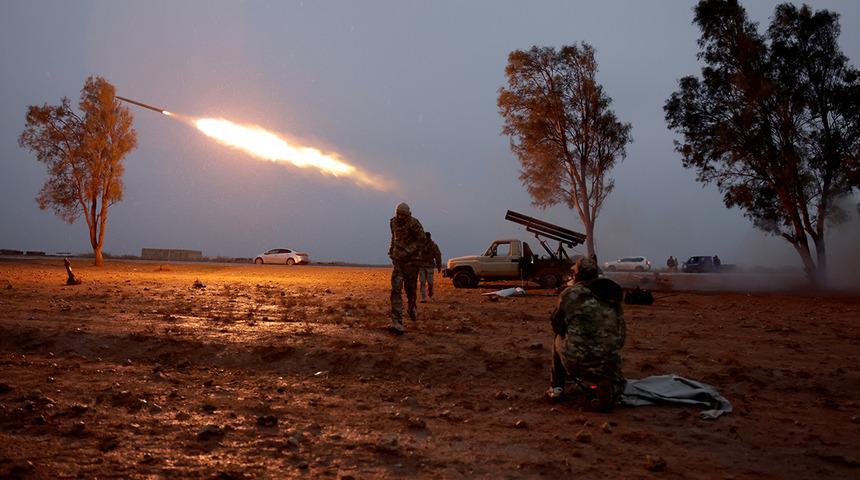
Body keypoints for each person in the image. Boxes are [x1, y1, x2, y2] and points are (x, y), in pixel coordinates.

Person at [547, 257, 626, 411]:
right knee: (618, 383)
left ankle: (556, 389)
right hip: (609, 360)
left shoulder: (570, 294)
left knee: (558, 337)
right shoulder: (613, 294)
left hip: (578, 361)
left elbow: (557, 325)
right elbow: (621, 331)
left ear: (577, 276)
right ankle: (609, 390)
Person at [388, 202, 426, 334]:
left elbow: (422, 240)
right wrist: (392, 250)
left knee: (410, 291)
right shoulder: (393, 222)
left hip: (411, 263)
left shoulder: (414, 224)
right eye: (398, 214)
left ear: (408, 214)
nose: (399, 217)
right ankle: (397, 322)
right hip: (398, 263)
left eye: (402, 215)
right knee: (396, 290)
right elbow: (394, 238)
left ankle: (412, 307)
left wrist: (408, 251)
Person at [418, 232, 442, 303]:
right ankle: (423, 298)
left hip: (430, 267)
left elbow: (438, 256)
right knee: (422, 282)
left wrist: (439, 266)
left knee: (430, 282)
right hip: (421, 266)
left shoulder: (433, 246)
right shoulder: (420, 245)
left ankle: (430, 291)